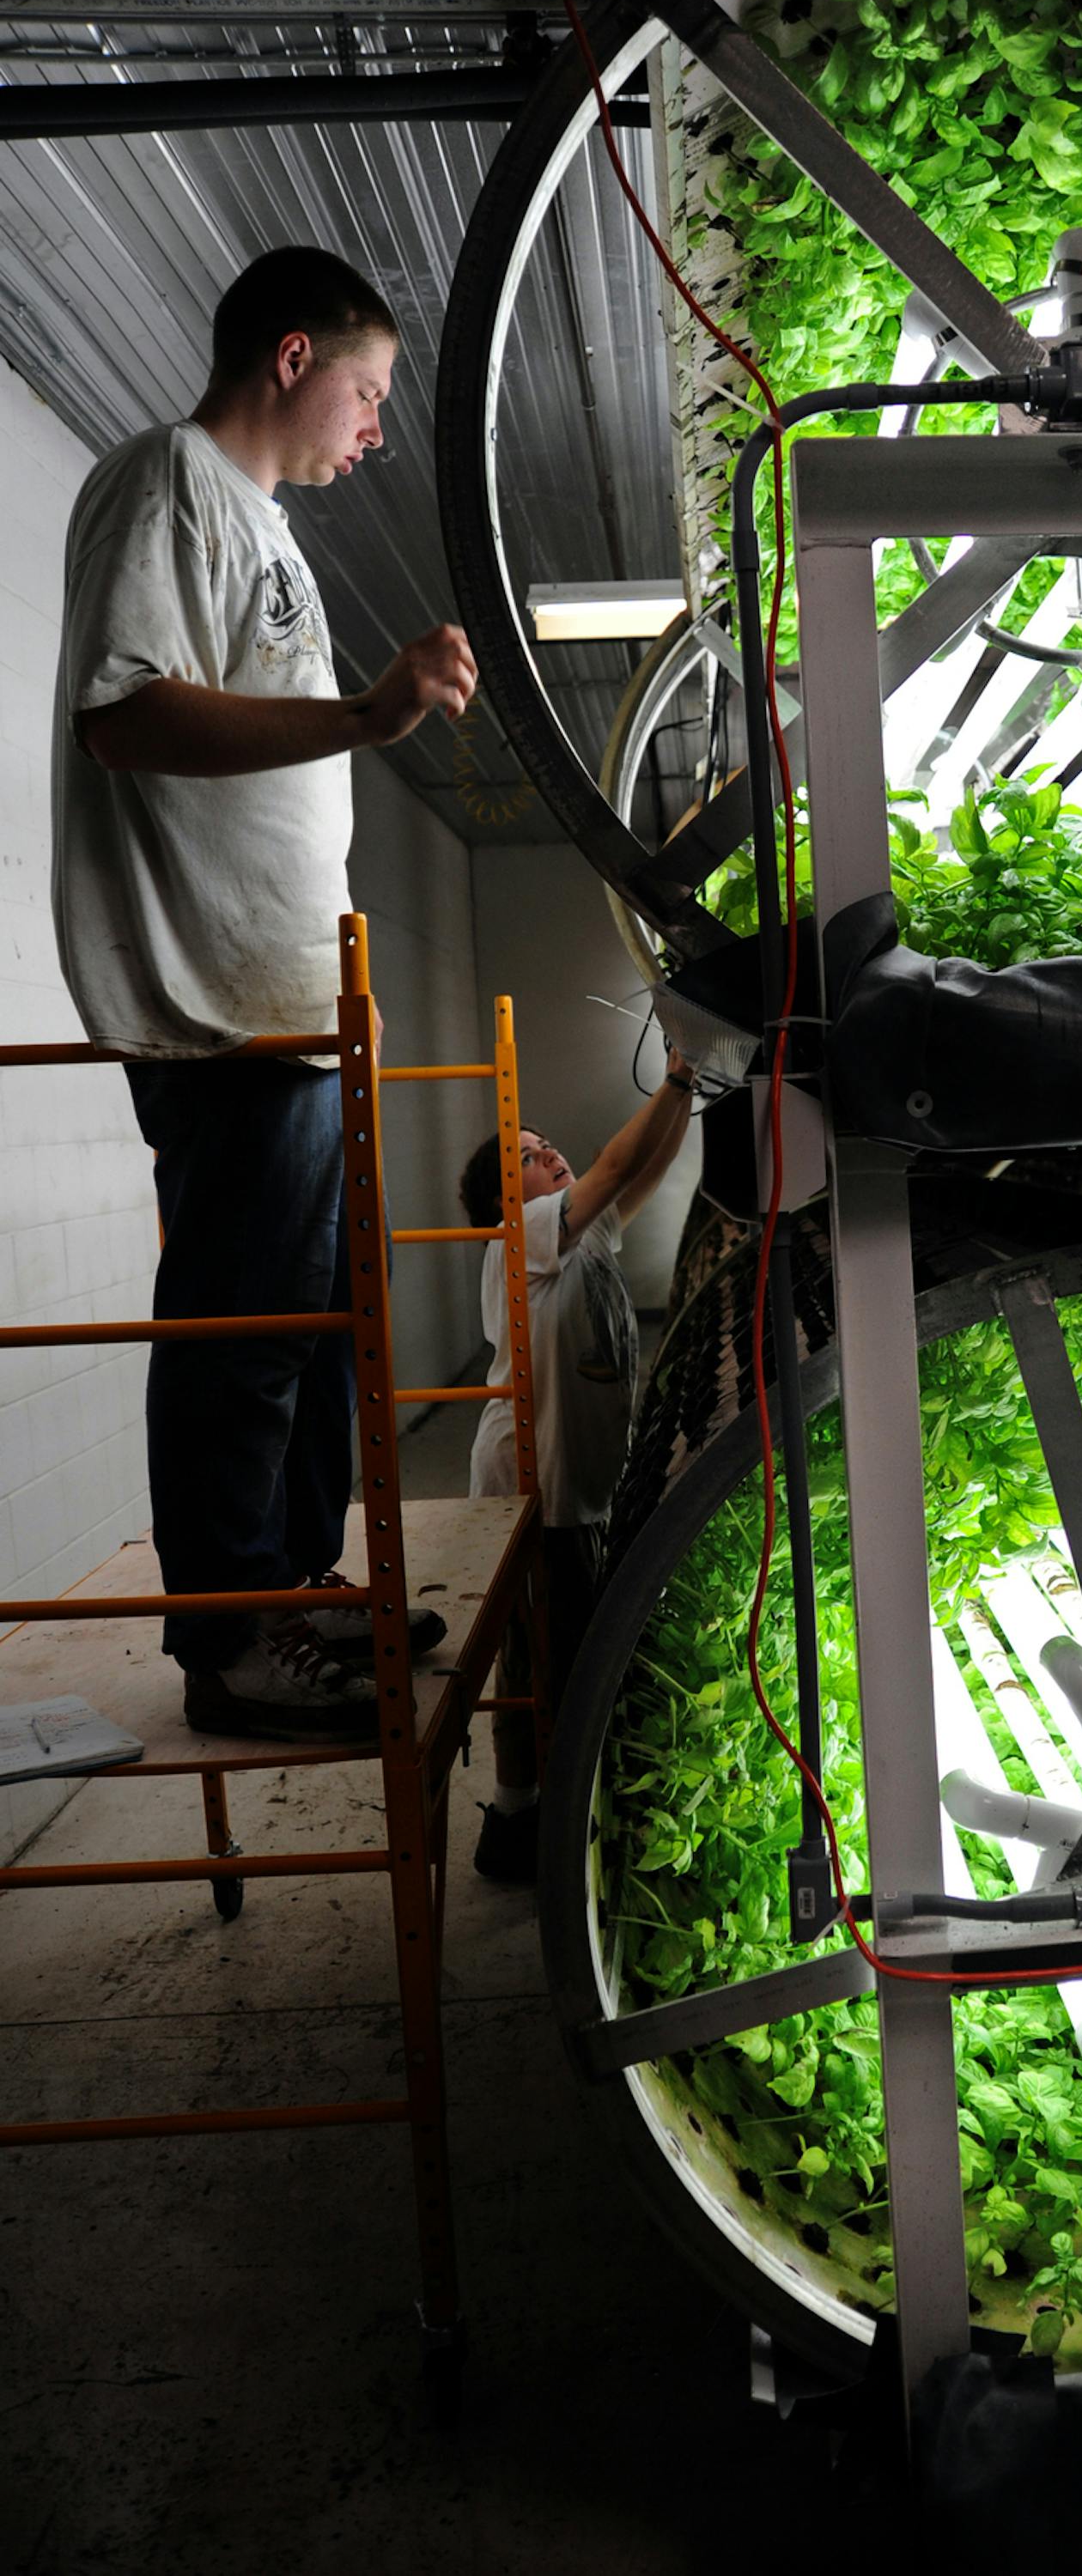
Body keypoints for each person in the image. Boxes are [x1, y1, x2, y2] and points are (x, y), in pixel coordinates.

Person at [51, 246, 478, 1741]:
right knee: (244, 1317)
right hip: (222, 1011)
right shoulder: (171, 478)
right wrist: (368, 711)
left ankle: (298, 1597)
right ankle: (234, 1637)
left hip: (294, 1006)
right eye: (365, 393)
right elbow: (126, 715)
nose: (373, 429)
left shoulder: (264, 528)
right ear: (292, 360)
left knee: (306, 1319)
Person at [459, 1066, 694, 1879]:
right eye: (528, 1154)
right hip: (533, 1484)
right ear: (504, 1198)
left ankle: (534, 1821)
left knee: (559, 1653)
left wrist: (688, 1095)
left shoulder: (579, 1233)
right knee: (545, 1663)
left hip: (576, 1484)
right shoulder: (519, 1235)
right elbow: (616, 1164)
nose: (549, 1153)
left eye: (545, 1144)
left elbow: (649, 1169)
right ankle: (528, 1830)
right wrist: (678, 1072)